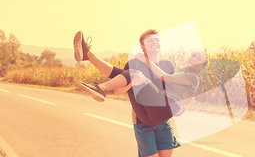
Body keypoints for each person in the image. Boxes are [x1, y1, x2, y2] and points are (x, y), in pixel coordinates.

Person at [73, 30, 200, 157]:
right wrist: (135, 82)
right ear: (142, 46)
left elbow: (171, 88)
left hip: (162, 118)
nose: (155, 42)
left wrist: (185, 97)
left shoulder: (166, 65)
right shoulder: (134, 65)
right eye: (150, 40)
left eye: (157, 40)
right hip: (142, 118)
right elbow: (120, 91)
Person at [75, 50, 207, 117]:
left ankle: (101, 88)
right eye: (193, 55)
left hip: (164, 108)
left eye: (199, 59)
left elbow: (164, 77)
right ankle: (89, 55)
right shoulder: (179, 74)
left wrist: (146, 61)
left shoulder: (193, 77)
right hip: (158, 109)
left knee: (134, 73)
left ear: (201, 68)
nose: (194, 58)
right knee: (130, 74)